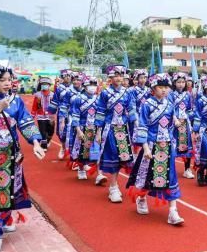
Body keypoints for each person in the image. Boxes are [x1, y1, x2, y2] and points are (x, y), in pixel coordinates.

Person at [0, 62, 46, 252]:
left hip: (11, 154)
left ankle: (4, 219)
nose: (7, 83)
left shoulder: (16, 100)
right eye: (2, 80)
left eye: (9, 79)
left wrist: (36, 142)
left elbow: (26, 121)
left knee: (8, 188)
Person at [126, 73, 184, 225]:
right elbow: (142, 126)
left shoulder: (170, 105)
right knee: (148, 176)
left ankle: (173, 211)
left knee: (171, 176)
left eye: (166, 87)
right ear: (153, 88)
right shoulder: (147, 105)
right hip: (151, 146)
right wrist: (145, 148)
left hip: (166, 146)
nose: (164, 90)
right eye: (161, 87)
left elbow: (171, 126)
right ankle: (142, 198)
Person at [94, 65, 137, 202]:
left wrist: (136, 125)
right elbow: (100, 112)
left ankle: (115, 184)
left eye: (120, 75)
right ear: (110, 78)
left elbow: (131, 110)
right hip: (109, 129)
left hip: (123, 130)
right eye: (115, 76)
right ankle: (113, 187)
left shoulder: (127, 93)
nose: (118, 78)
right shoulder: (105, 93)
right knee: (112, 157)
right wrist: (98, 132)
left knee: (121, 158)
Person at [69, 75, 100, 180]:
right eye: (90, 85)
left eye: (94, 85)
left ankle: (99, 173)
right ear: (85, 86)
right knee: (82, 150)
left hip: (95, 127)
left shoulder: (98, 98)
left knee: (97, 150)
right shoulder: (78, 99)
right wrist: (78, 130)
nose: (93, 87)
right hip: (82, 127)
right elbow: (75, 115)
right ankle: (81, 169)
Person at [169, 72, 195, 179]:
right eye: (179, 82)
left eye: (183, 82)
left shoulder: (188, 94)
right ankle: (171, 169)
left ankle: (187, 169)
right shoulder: (170, 94)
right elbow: (169, 109)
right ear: (174, 83)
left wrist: (190, 121)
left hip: (185, 123)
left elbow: (190, 109)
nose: (181, 84)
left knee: (187, 146)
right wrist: (175, 119)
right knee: (173, 146)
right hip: (174, 124)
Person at [49, 70, 73, 160]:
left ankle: (72, 151)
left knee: (73, 131)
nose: (68, 77)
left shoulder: (75, 87)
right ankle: (63, 147)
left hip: (73, 112)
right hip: (62, 113)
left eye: (69, 76)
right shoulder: (59, 88)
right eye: (66, 76)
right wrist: (51, 115)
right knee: (61, 131)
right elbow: (55, 101)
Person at [31, 76, 55, 150]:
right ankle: (44, 146)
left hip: (50, 116)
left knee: (51, 132)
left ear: (49, 85)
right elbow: (34, 106)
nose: (44, 85)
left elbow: (55, 105)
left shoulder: (53, 95)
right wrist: (32, 116)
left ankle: (47, 141)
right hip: (41, 116)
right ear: (41, 85)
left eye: (46, 84)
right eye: (43, 84)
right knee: (42, 131)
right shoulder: (37, 95)